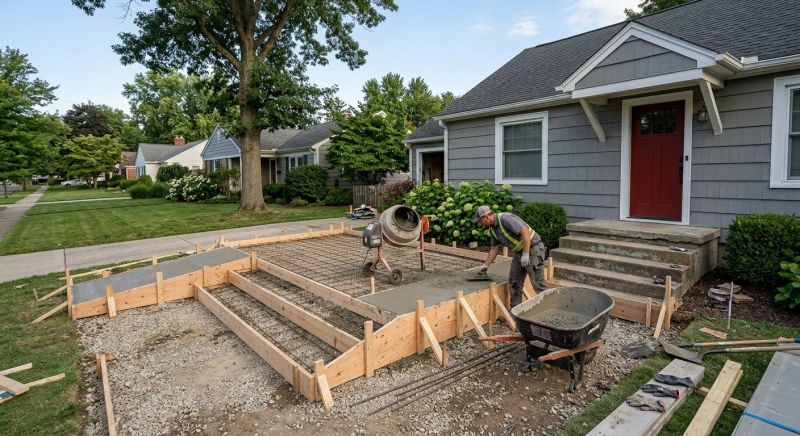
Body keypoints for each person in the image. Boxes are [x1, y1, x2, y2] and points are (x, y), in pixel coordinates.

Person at [473, 205, 548, 308]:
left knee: (538, 284)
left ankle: (551, 311)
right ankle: (515, 310)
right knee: (514, 282)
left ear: (486, 217)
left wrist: (526, 254)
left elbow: (525, 232)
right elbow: (494, 249)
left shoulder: (505, 218)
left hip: (533, 248)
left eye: (480, 221)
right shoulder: (493, 230)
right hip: (519, 252)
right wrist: (485, 266)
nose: (480, 224)